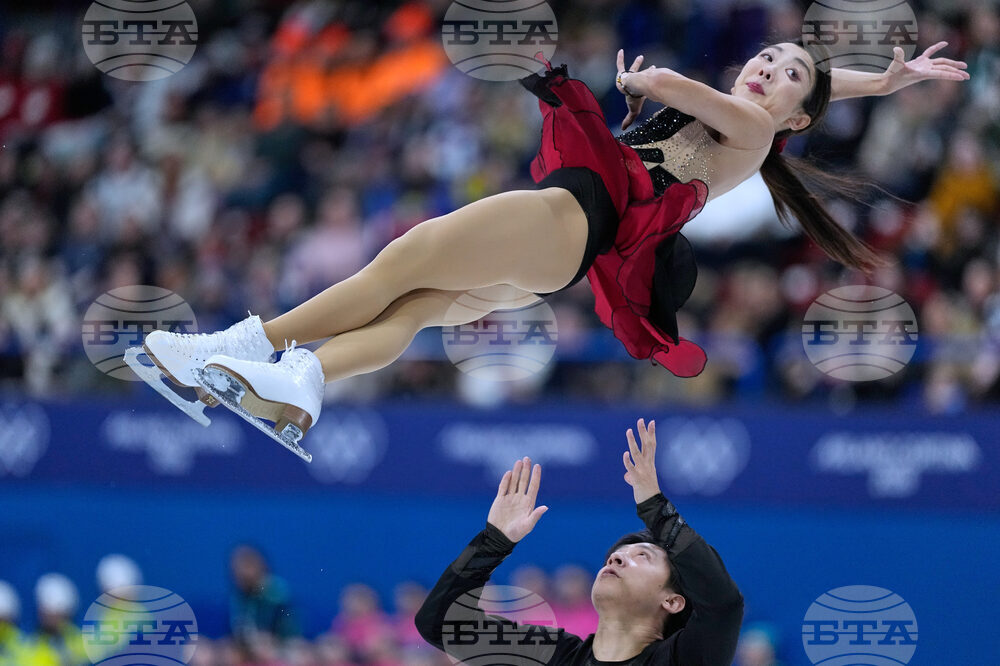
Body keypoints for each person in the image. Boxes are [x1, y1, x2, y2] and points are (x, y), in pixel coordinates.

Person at [130, 40, 970, 453]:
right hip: (564, 249)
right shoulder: (763, 116)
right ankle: (306, 382)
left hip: (578, 215)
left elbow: (707, 96)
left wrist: (648, 84)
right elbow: (793, 92)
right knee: (419, 307)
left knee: (401, 262)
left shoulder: (751, 132)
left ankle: (239, 347)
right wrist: (882, 79)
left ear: (797, 117)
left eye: (788, 73)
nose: (768, 68)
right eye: (769, 56)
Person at [415, 417, 744, 665]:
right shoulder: (552, 655)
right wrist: (494, 542)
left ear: (672, 601)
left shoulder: (682, 659)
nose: (615, 559)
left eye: (642, 556)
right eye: (615, 555)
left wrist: (656, 509)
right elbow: (441, 625)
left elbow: (724, 605)